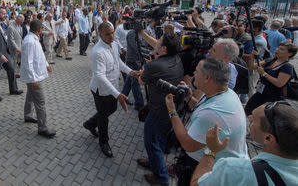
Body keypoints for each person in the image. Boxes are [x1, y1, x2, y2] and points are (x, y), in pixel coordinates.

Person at [165, 58, 248, 186]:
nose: (194, 73)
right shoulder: (224, 93)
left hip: (207, 170)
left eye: (197, 71)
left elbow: (187, 144)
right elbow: (200, 108)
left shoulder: (214, 113)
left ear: (207, 78)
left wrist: (172, 110)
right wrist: (188, 97)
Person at [191, 100, 298, 186]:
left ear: (268, 138)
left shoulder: (233, 169)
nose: (249, 117)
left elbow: (196, 183)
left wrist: (211, 151)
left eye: (253, 120)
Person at [83, 22, 140, 158]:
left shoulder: (114, 44)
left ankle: (89, 123)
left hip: (113, 88)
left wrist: (131, 71)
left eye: (112, 32)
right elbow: (100, 76)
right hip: (100, 90)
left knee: (112, 109)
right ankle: (104, 143)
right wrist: (118, 94)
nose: (111, 36)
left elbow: (118, 63)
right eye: (107, 34)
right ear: (100, 34)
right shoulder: (98, 52)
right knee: (103, 118)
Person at [137, 33, 184, 185]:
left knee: (151, 143)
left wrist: (147, 68)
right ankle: (154, 163)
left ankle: (161, 177)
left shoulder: (154, 66)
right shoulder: (177, 58)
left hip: (157, 111)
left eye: (159, 42)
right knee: (161, 140)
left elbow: (141, 81)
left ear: (163, 48)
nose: (156, 42)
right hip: (171, 110)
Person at [20, 19, 56, 138]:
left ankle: (28, 115)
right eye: (42, 28)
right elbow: (28, 62)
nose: (42, 30)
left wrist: (46, 64)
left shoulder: (33, 39)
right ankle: (42, 127)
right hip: (34, 76)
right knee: (41, 102)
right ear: (39, 30)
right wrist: (33, 79)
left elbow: (39, 54)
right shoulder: (30, 41)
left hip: (35, 74)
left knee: (30, 95)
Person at [245, 43, 297, 115]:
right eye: (278, 48)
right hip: (261, 93)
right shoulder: (270, 60)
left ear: (290, 53)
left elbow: (279, 83)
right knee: (249, 110)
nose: (277, 50)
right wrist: (253, 56)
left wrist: (264, 73)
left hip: (273, 96)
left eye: (281, 49)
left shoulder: (287, 67)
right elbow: (252, 67)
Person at [0, 7, 23, 102]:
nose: (5, 15)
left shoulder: (3, 24)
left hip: (5, 52)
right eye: (3, 13)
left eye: (5, 13)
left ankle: (13, 89)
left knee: (11, 69)